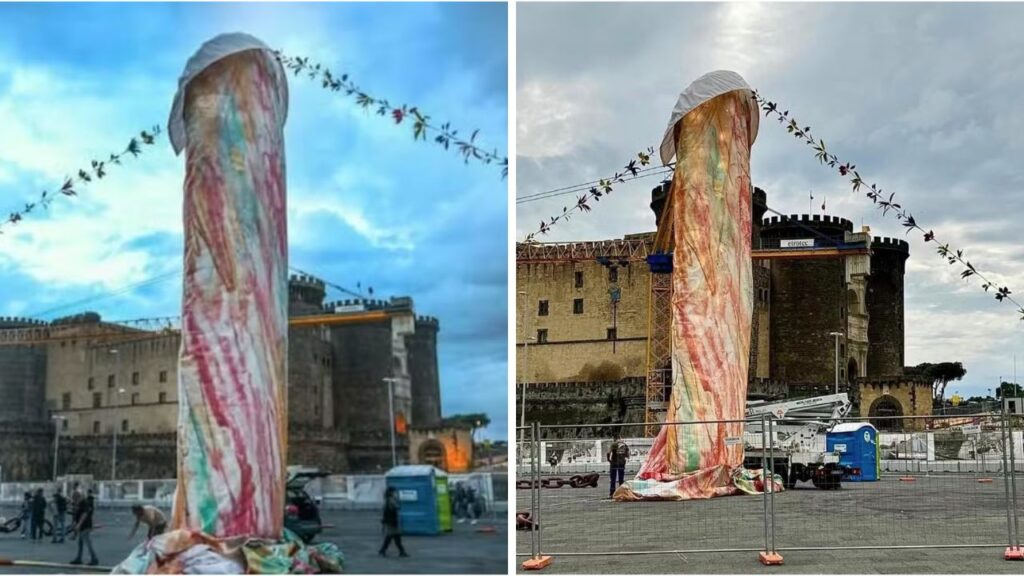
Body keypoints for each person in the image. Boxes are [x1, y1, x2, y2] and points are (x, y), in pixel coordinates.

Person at [70, 489, 98, 566]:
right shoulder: (80, 503)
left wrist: (78, 524)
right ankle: (79, 558)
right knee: (81, 543)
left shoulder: (84, 503)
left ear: (77, 497)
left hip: (85, 526)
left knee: (88, 543)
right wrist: (75, 526)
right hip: (83, 526)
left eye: (74, 499)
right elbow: (77, 515)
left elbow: (84, 514)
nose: (74, 501)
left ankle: (94, 558)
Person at [378, 487, 408, 558]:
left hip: (390, 521)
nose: (396, 494)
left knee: (394, 536)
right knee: (393, 536)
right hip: (392, 521)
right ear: (391, 493)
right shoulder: (391, 500)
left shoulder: (387, 500)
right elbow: (397, 507)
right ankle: (384, 550)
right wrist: (398, 502)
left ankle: (401, 551)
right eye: (394, 492)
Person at [606, 433, 630, 498]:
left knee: (613, 479)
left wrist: (609, 460)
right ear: (620, 437)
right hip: (622, 463)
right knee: (621, 479)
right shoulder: (625, 445)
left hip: (614, 462)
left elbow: (608, 452)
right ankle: (621, 493)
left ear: (614, 438)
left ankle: (612, 493)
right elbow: (627, 454)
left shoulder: (614, 444)